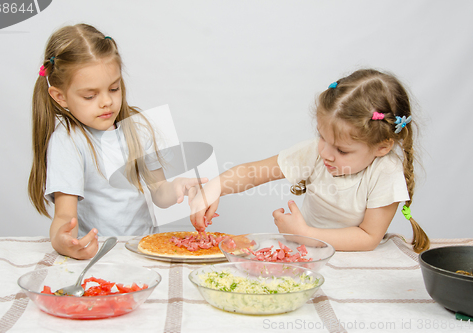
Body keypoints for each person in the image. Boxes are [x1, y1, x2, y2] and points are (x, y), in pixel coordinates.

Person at [190, 69, 429, 253]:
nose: (325, 152)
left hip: (355, 265)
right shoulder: (316, 152)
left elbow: (368, 238)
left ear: (382, 146)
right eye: (321, 137)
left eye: (342, 150)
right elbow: (253, 172)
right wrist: (214, 187)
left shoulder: (386, 172)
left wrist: (305, 234)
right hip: (307, 257)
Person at [28, 24, 205, 259]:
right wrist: (63, 241)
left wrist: (177, 188)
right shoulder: (69, 141)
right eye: (90, 96)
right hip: (97, 255)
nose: (106, 102)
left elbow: (160, 195)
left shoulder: (139, 128)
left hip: (143, 250)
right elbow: (64, 216)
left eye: (114, 88)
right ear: (61, 97)